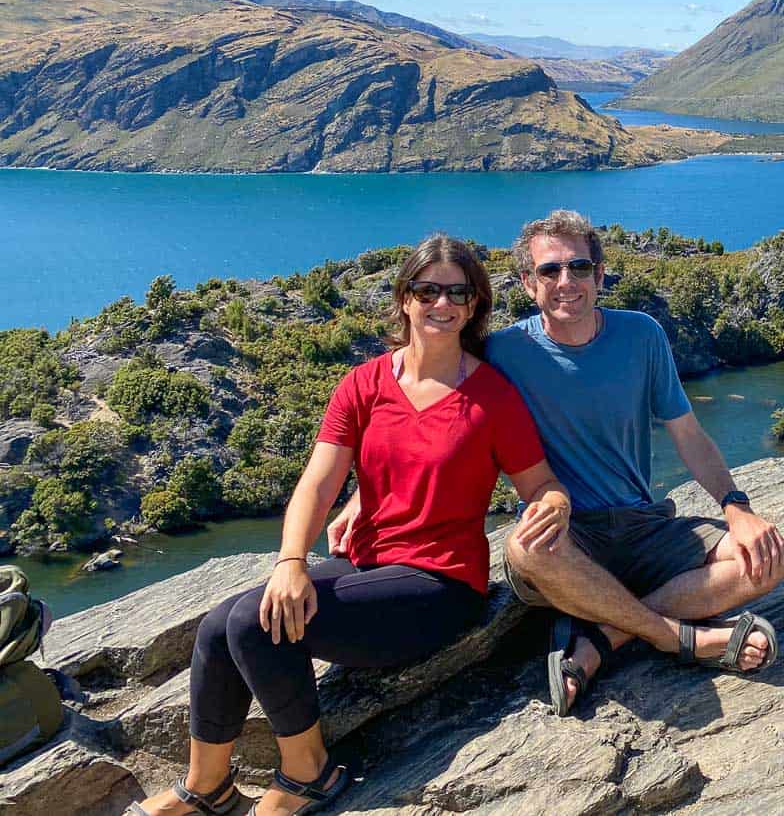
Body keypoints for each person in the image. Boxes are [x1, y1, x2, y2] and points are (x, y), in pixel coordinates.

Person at [130, 235, 570, 816]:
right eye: (428, 289)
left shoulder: (491, 397)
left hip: (438, 585)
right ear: (405, 298)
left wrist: (555, 503)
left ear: (474, 306)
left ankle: (309, 774)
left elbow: (539, 483)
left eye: (457, 293)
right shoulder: (365, 384)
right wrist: (291, 560)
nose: (442, 303)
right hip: (363, 564)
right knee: (218, 625)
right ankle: (207, 786)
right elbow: (318, 481)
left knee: (256, 625)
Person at [480, 210, 784, 714]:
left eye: (580, 268)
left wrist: (737, 507)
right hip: (569, 535)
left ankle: (602, 639)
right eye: (549, 270)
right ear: (526, 282)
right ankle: (678, 637)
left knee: (767, 560)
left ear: (600, 276)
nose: (566, 282)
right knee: (524, 550)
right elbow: (437, 416)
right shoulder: (504, 351)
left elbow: (689, 435)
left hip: (641, 525)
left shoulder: (640, 336)